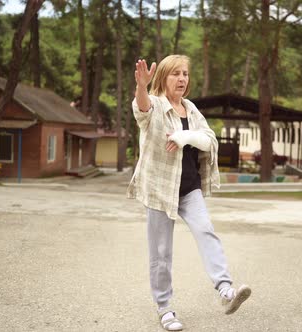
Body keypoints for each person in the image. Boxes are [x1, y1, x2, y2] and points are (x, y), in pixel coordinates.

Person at [128, 54, 251, 331]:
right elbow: (141, 108)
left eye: (185, 73)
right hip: (161, 190)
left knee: (206, 229)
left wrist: (186, 137)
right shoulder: (156, 105)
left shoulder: (191, 109)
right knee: (161, 252)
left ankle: (225, 290)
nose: (182, 79)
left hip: (189, 187)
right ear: (163, 77)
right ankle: (165, 309)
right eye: (175, 74)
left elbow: (209, 140)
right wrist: (142, 86)